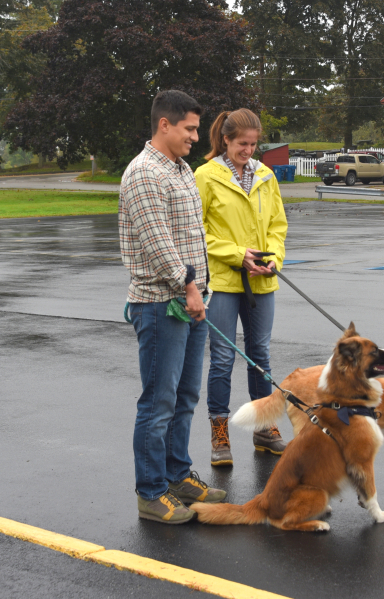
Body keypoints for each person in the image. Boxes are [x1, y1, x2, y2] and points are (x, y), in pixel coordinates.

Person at [119, 90, 226, 524]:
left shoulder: (180, 169)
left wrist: (200, 288)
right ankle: (150, 492)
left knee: (185, 395)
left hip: (191, 299)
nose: (197, 138)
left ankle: (178, 475)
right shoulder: (145, 172)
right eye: (190, 129)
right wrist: (188, 287)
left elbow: (190, 234)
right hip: (163, 305)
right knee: (159, 401)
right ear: (164, 125)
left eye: (197, 129)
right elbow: (159, 242)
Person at [194, 109, 288, 467]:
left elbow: (278, 224)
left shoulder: (265, 174)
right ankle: (220, 432)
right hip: (223, 279)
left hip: (262, 280)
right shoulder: (205, 175)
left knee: (260, 354)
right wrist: (236, 254)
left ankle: (264, 428)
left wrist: (274, 257)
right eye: (241, 144)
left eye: (253, 144)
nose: (248, 150)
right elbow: (195, 231)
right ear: (226, 140)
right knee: (221, 358)